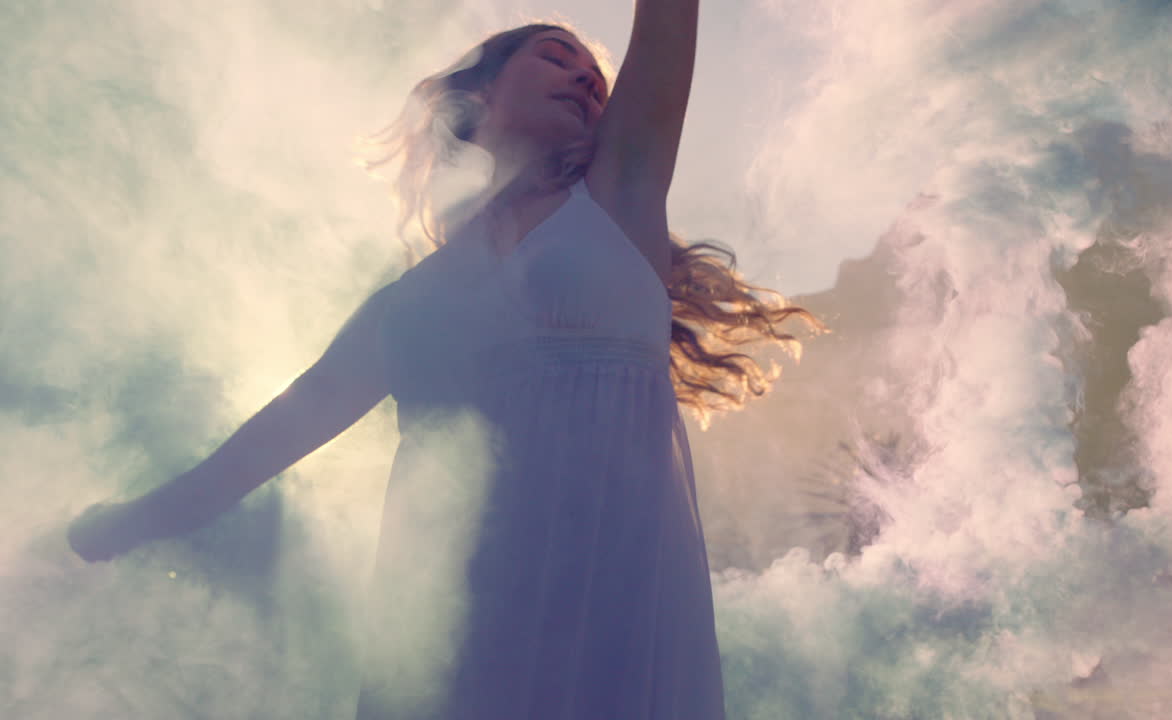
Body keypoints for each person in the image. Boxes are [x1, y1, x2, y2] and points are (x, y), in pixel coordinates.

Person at [68, 5, 824, 718]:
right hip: (452, 611)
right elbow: (269, 440)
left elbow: (666, 17)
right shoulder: (407, 305)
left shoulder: (621, 194)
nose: (587, 81)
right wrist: (126, 524)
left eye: (597, 81)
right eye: (557, 59)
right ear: (480, 95)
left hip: (615, 590)